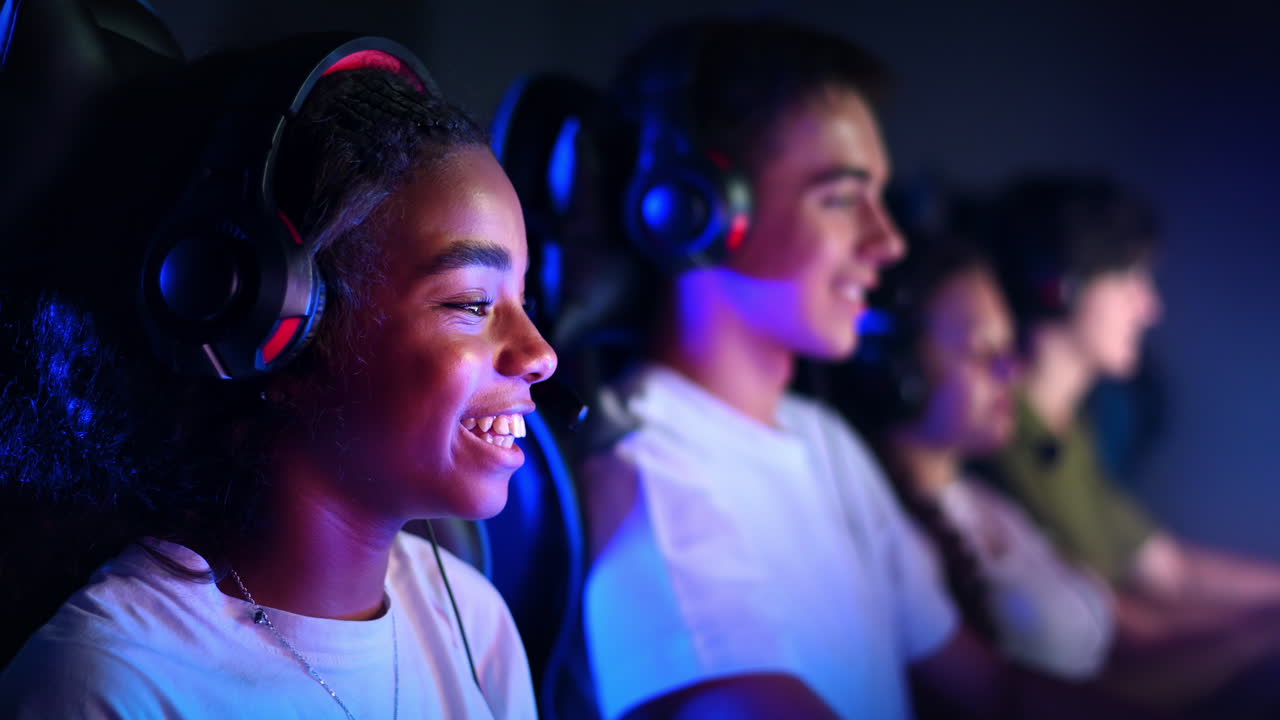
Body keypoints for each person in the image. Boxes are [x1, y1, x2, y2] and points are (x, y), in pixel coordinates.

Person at [575, 18, 1146, 720]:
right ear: (694, 213)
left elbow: (992, 686)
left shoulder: (824, 443)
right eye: (842, 199)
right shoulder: (652, 471)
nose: (888, 242)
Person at [0, 35, 555, 719]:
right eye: (473, 303)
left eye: (521, 301)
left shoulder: (474, 621)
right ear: (273, 328)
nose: (540, 354)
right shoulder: (108, 687)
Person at [980, 173, 1280, 711]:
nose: (1150, 308)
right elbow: (1127, 631)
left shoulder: (1072, 432)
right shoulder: (1001, 433)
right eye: (1129, 279)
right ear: (1059, 285)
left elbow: (1169, 569)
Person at [831, 238, 1114, 680]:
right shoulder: (888, 532)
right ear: (901, 371)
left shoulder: (987, 501)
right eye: (984, 353)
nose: (1011, 371)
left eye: (1008, 350)